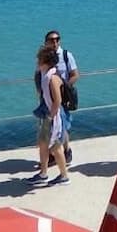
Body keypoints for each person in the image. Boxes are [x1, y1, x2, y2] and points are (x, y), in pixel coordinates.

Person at [34, 30, 79, 165]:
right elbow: (38, 74)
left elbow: (75, 74)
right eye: (51, 40)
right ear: (46, 42)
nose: (55, 42)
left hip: (60, 98)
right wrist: (39, 91)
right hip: (45, 98)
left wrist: (64, 89)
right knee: (47, 126)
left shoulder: (66, 55)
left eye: (57, 39)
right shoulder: (44, 57)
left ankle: (66, 151)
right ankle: (52, 154)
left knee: (61, 126)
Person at [29, 44, 70, 186]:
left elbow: (57, 100)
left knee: (55, 147)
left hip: (54, 116)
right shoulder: (45, 75)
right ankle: (43, 173)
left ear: (44, 61)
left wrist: (50, 118)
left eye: (39, 58)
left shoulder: (52, 78)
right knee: (43, 144)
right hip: (48, 114)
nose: (37, 61)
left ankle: (64, 176)